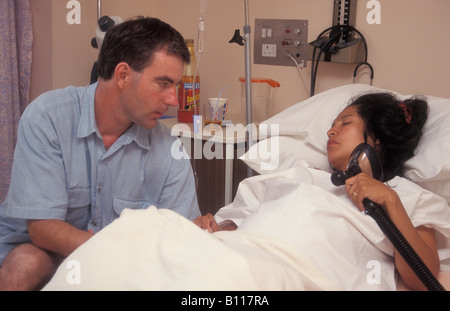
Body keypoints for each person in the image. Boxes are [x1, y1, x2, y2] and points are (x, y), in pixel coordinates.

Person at [0, 16, 200, 290]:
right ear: (123, 75)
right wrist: (110, 253)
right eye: (163, 83)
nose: (173, 100)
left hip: (122, 263)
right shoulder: (48, 118)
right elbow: (42, 229)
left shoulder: (169, 151)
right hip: (41, 250)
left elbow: (180, 234)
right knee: (26, 264)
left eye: (175, 85)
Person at [194, 92, 445, 291]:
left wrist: (390, 201)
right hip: (238, 259)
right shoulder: (298, 174)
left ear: (377, 137)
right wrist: (216, 229)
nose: (330, 131)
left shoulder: (407, 196)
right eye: (332, 124)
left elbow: (423, 279)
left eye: (345, 123)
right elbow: (240, 221)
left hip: (296, 276)